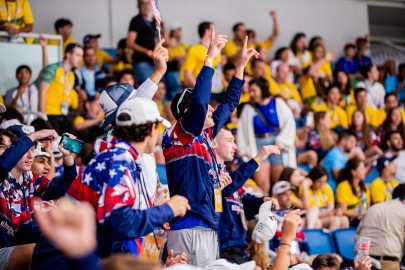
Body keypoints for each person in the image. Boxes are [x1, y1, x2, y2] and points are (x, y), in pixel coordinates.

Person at [162, 30, 257, 266]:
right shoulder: (179, 135)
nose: (212, 109)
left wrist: (241, 66)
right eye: (205, 108)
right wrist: (210, 57)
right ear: (189, 112)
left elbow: (230, 103)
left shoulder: (205, 135)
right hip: (188, 225)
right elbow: (202, 101)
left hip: (208, 225)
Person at [0, 125, 77, 270]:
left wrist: (67, 157)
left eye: (32, 149)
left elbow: (60, 188)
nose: (30, 155)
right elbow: (3, 167)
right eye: (25, 149)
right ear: (13, 151)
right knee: (35, 252)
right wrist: (34, 136)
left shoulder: (30, 179)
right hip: (3, 250)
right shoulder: (2, 176)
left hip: (19, 245)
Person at [213, 127, 280, 264]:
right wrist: (258, 158)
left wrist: (262, 201)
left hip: (238, 246)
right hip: (220, 247)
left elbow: (244, 202)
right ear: (214, 143)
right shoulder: (211, 173)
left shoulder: (226, 174)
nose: (235, 146)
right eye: (230, 140)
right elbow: (227, 188)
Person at [238, 77, 296, 194]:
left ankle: (278, 210)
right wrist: (243, 149)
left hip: (277, 144)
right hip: (257, 145)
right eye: (250, 91)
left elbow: (290, 123)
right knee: (263, 185)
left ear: (262, 89)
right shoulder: (248, 108)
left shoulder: (277, 103)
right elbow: (242, 131)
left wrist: (280, 142)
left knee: (279, 183)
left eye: (254, 90)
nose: (252, 94)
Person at [355, 184, 405, 270]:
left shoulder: (373, 208)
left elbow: (357, 236)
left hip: (363, 263)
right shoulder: (403, 210)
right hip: (388, 263)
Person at [39, 43, 83, 134]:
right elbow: (41, 92)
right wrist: (42, 116)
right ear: (68, 55)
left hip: (63, 114)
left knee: (70, 143)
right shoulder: (53, 68)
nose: (81, 59)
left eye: (82, 56)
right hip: (49, 114)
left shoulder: (71, 75)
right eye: (78, 55)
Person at [180, 21, 223, 101]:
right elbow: (187, 74)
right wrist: (200, 89)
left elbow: (218, 69)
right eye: (214, 29)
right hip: (204, 91)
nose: (216, 32)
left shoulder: (216, 49)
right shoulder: (194, 49)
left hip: (218, 91)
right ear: (207, 31)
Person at [301, 166, 349, 230]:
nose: (322, 184)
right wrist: (305, 187)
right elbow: (307, 207)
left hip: (325, 215)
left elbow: (331, 206)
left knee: (344, 219)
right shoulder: (306, 188)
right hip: (313, 216)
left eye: (324, 181)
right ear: (313, 179)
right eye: (319, 181)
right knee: (335, 220)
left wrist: (332, 212)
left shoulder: (326, 187)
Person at [127, 0, 157, 84]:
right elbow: (129, 43)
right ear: (138, 5)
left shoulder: (150, 23)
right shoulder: (136, 20)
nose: (145, 6)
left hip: (151, 62)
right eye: (142, 3)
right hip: (141, 62)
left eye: (147, 3)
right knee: (148, 90)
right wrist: (148, 52)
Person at [336, 158, 370, 226]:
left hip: (363, 218)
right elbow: (344, 211)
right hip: (351, 219)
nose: (365, 171)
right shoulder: (343, 186)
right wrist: (361, 214)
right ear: (353, 172)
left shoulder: (364, 187)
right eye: (362, 169)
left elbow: (367, 207)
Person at [166, 23, 188, 100]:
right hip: (173, 70)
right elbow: (174, 57)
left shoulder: (181, 45)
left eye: (179, 31)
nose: (179, 33)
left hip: (179, 73)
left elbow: (190, 51)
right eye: (176, 31)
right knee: (175, 91)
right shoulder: (170, 43)